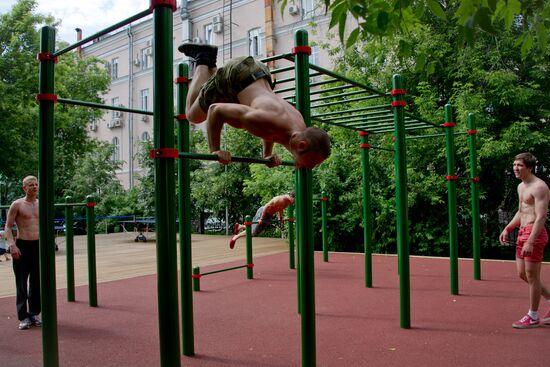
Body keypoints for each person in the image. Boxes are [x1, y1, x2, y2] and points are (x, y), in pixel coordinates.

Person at [178, 43, 331, 169]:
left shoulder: (298, 127)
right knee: (193, 115)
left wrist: (266, 155)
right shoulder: (267, 120)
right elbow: (215, 110)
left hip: (259, 75)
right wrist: (215, 150)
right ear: (302, 146)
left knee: (216, 93)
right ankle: (202, 57)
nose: (312, 168)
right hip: (238, 74)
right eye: (313, 163)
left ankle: (210, 63)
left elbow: (271, 130)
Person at [499, 153, 550, 328]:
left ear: (529, 167)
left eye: (519, 165)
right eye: (514, 165)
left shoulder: (539, 187)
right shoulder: (521, 186)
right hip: (522, 232)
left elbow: (541, 216)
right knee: (522, 274)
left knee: (532, 276)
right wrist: (508, 227)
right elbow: (522, 212)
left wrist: (531, 240)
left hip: (534, 234)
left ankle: (533, 316)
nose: (515, 168)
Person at [4, 176, 42, 330]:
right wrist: (12, 245)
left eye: (36, 184)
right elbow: (8, 227)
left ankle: (34, 313)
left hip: (38, 245)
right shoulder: (17, 205)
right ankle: (23, 316)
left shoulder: (41, 204)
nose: (34, 187)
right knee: (21, 281)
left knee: (36, 281)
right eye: (30, 185)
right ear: (24, 188)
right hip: (23, 245)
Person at [229, 193, 295, 249]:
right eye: (295, 200)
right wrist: (261, 218)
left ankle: (240, 226)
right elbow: (266, 206)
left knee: (255, 231)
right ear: (292, 197)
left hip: (269, 215)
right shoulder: (280, 199)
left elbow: (280, 209)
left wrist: (281, 219)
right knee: (252, 232)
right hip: (263, 212)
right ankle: (235, 237)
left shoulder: (287, 202)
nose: (295, 202)